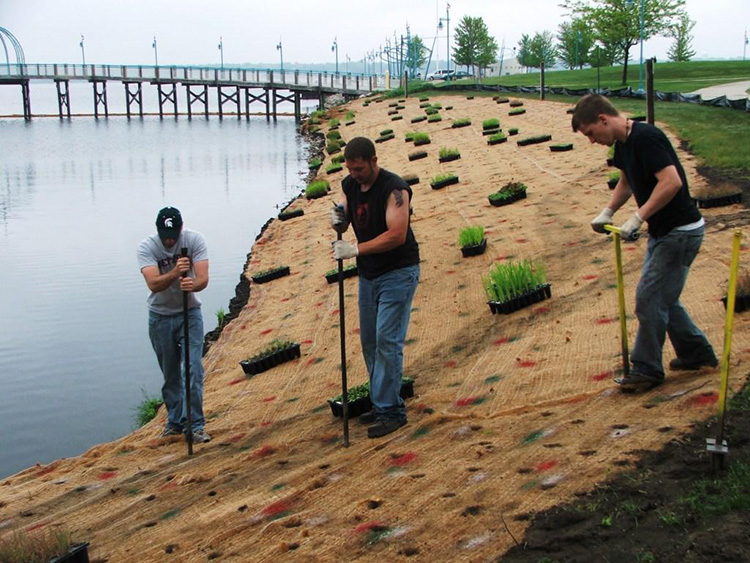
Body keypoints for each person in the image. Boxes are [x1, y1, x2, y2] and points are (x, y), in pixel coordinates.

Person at [571, 94, 717, 390]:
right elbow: (627, 181)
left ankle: (647, 369)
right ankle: (696, 353)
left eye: (590, 133)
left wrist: (638, 217)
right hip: (665, 232)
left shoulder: (646, 138)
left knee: (648, 298)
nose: (591, 140)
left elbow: (671, 181)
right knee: (665, 298)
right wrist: (608, 210)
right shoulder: (623, 145)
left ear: (603, 119)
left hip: (681, 232)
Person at [330, 137, 420, 438]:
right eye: (351, 169)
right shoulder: (350, 184)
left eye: (359, 169)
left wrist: (355, 249)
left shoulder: (394, 189)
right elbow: (345, 209)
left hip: (398, 271)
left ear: (373, 160)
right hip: (369, 275)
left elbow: (397, 234)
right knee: (370, 341)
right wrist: (338, 218)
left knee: (387, 340)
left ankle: (392, 412)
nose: (355, 174)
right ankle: (382, 400)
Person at [137, 207, 212, 442]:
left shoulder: (194, 240)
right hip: (160, 317)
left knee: (192, 368)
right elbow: (153, 283)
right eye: (164, 234)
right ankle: (175, 421)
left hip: (189, 313)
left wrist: (193, 285)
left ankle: (196, 424)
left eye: (172, 234)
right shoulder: (147, 247)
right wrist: (174, 272)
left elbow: (203, 278)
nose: (169, 240)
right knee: (170, 374)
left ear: (180, 229)